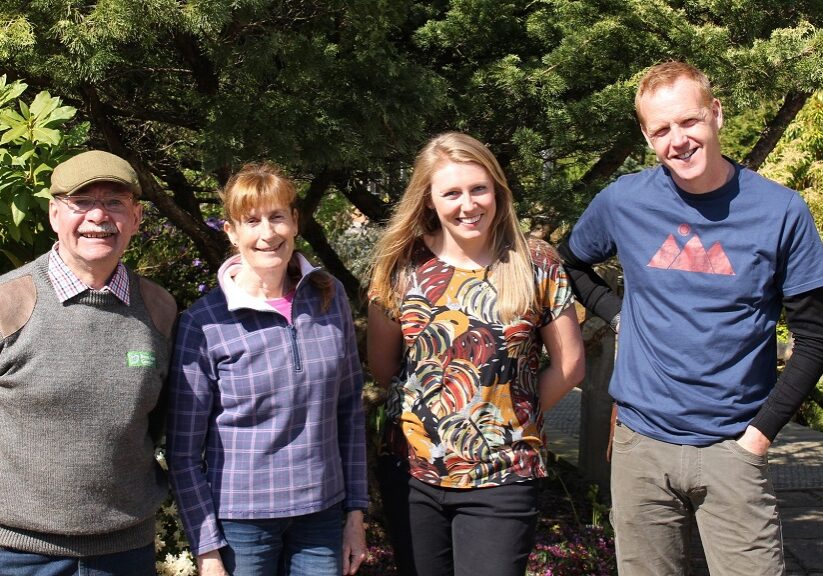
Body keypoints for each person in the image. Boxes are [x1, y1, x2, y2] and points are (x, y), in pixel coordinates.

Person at [559, 61, 823, 575]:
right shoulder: (623, 202)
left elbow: (815, 338)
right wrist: (618, 314)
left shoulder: (782, 212)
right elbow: (570, 262)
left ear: (716, 114)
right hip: (640, 448)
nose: (677, 140)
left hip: (734, 448)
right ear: (646, 136)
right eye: (661, 130)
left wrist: (759, 437)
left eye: (689, 122)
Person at [368, 132, 585, 576]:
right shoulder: (401, 267)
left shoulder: (534, 261)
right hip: (411, 474)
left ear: (497, 190)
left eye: (478, 189)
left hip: (503, 476)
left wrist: (507, 415)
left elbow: (569, 365)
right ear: (429, 200)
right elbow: (384, 366)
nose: (468, 205)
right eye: (451, 193)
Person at [166, 162, 368, 576]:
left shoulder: (330, 299)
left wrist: (355, 514)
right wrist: (206, 551)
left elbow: (349, 413)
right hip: (242, 524)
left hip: (323, 516)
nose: (267, 233)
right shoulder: (203, 324)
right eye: (251, 221)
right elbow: (183, 454)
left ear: (295, 221)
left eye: (277, 217)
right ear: (231, 232)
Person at [0, 150, 177, 575]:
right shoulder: (7, 302)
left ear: (135, 217)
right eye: (82, 203)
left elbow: (159, 421)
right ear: (54, 214)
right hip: (18, 554)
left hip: (126, 553)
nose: (99, 216)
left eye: (115, 202)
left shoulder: (159, 308)